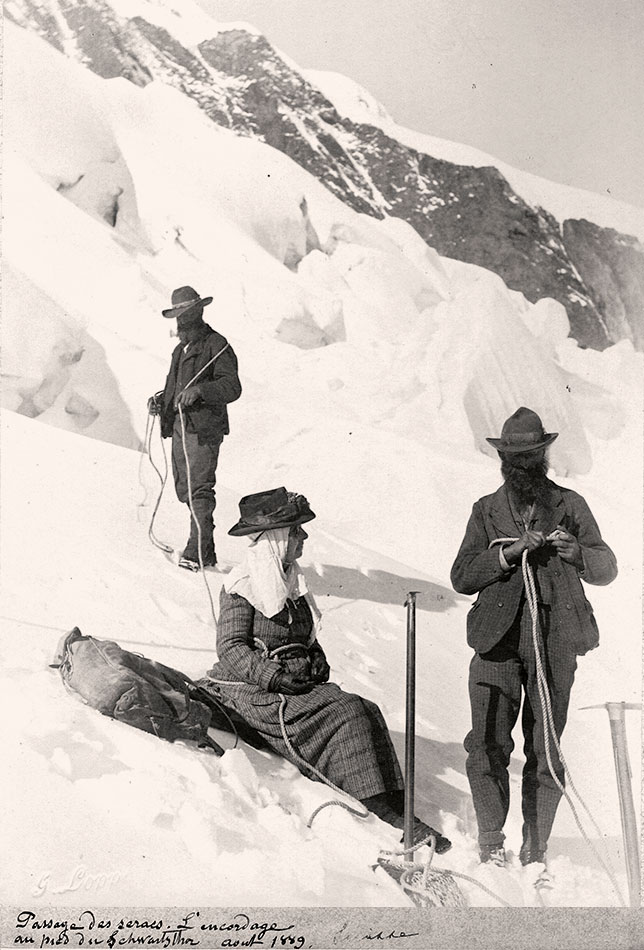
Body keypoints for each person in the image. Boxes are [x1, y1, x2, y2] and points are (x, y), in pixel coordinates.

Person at [198, 487, 451, 852]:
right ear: (276, 538)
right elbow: (231, 648)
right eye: (296, 531)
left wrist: (316, 657)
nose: (303, 537)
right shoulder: (242, 586)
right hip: (249, 690)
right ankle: (385, 810)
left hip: (288, 684)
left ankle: (394, 802)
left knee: (366, 708)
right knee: (344, 713)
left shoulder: (291, 583)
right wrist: (272, 676)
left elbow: (305, 636)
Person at [450, 407, 617, 868]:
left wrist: (577, 551)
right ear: (503, 459)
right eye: (514, 456)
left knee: (547, 748)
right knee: (486, 744)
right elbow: (462, 575)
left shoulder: (571, 504)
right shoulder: (485, 511)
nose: (522, 463)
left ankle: (536, 846)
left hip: (555, 638)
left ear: (543, 454)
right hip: (495, 641)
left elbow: (607, 568)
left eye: (530, 455)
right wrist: (506, 555)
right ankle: (489, 839)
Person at [148, 286, 241, 571]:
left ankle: (197, 549)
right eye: (178, 317)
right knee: (185, 489)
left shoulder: (217, 345)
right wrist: (160, 401)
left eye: (186, 316)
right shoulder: (180, 350)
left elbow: (232, 387)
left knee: (199, 488)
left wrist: (200, 391)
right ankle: (206, 549)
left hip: (202, 429)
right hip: (180, 427)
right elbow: (175, 389)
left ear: (199, 313)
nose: (181, 323)